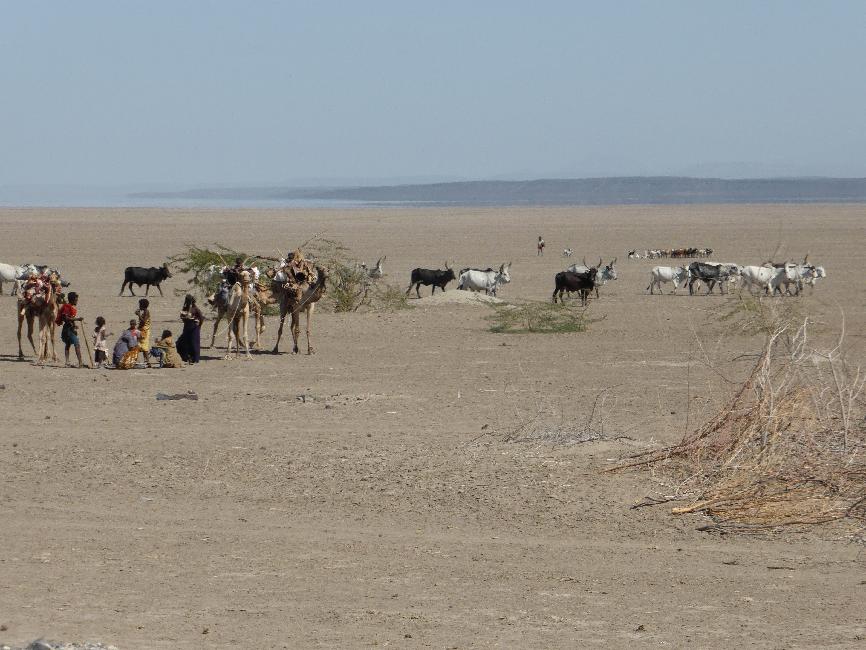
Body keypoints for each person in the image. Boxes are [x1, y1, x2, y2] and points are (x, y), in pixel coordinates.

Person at [57, 291, 84, 367]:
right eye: (76, 300)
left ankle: (67, 362)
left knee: (68, 344)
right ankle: (80, 363)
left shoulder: (70, 307)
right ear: (72, 300)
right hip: (68, 330)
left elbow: (70, 318)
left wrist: (74, 325)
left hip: (69, 328)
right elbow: (66, 318)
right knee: (77, 344)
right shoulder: (67, 307)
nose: (77, 301)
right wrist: (77, 319)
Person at [176, 294, 204, 364]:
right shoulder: (185, 308)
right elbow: (182, 317)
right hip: (186, 328)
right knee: (183, 342)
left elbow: (201, 318)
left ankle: (195, 359)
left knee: (193, 343)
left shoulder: (195, 308)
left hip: (194, 329)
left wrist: (199, 325)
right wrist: (184, 318)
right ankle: (186, 357)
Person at [135, 298, 153, 368]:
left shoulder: (146, 312)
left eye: (140, 305)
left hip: (144, 331)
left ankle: (148, 362)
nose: (139, 306)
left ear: (143, 305)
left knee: (144, 347)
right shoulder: (145, 311)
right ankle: (146, 362)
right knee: (140, 346)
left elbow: (144, 321)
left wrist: (138, 315)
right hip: (142, 330)